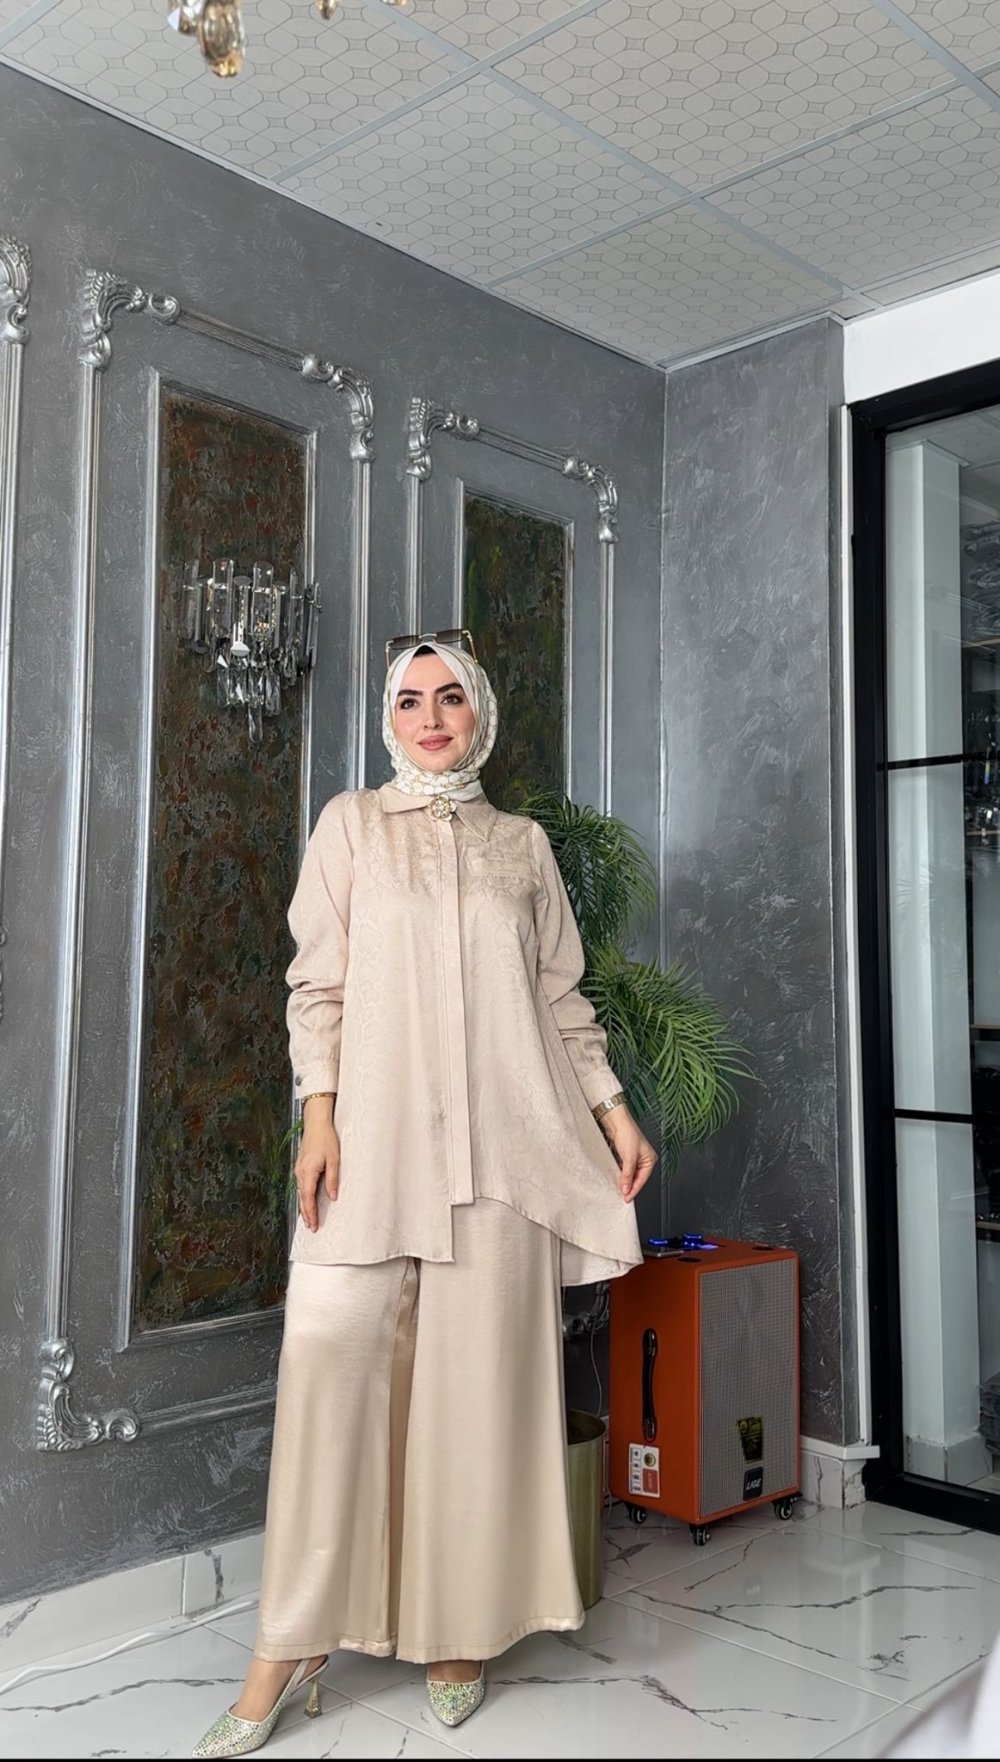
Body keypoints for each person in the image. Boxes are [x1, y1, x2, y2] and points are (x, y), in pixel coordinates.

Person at [193, 631, 656, 1757]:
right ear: (388, 717)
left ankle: (458, 1632)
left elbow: (561, 998)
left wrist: (613, 1111)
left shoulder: (521, 846)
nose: (433, 717)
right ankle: (290, 1643)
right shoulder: (351, 826)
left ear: (479, 711)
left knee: (475, 1401)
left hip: (501, 1165)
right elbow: (317, 983)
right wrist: (318, 1115)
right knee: (328, 1365)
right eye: (411, 700)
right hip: (373, 1153)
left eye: (451, 697)